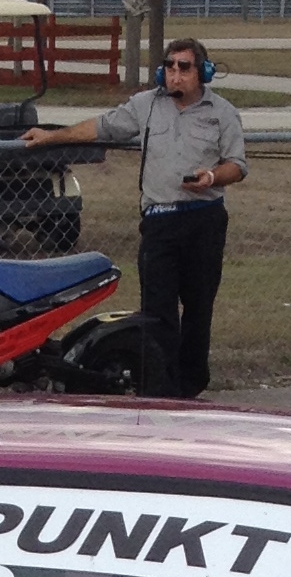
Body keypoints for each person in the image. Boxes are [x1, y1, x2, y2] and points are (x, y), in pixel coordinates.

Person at [25, 38, 246, 397]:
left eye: (184, 67)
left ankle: (190, 386)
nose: (175, 74)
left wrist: (211, 177)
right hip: (159, 221)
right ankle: (161, 386)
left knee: (198, 307)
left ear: (202, 72)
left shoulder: (222, 113)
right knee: (157, 311)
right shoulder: (145, 106)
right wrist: (52, 136)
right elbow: (101, 127)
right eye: (170, 67)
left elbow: (237, 166)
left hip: (204, 219)